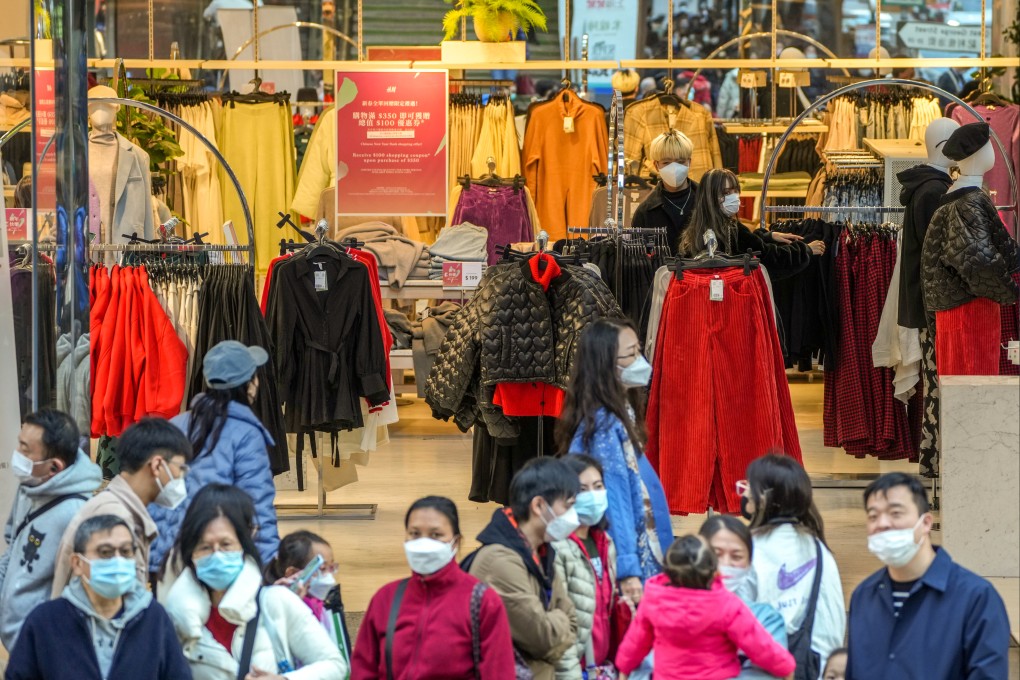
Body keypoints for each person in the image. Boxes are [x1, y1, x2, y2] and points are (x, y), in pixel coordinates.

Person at [162, 484, 346, 680]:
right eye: (205, 547)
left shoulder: (275, 603)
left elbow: (334, 665)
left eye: (226, 544)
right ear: (191, 551)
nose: (217, 555)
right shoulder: (176, 616)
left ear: (246, 542)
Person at [845, 473, 1010, 679]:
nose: (882, 523)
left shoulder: (976, 597)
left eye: (895, 513)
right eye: (873, 516)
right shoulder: (864, 595)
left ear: (925, 523)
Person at [557, 318, 674, 605]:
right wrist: (628, 566)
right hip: (631, 551)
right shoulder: (605, 426)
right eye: (631, 354)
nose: (640, 361)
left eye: (638, 351)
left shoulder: (617, 413)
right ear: (606, 365)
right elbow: (617, 498)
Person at [149, 340, 280, 582]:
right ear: (249, 386)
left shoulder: (177, 424)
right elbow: (258, 506)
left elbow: (154, 497)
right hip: (218, 560)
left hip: (167, 559)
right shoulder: (247, 434)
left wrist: (153, 560)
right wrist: (268, 566)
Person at [5, 515, 192, 680]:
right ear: (77, 564)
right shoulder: (45, 622)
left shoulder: (154, 618)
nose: (118, 560)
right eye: (105, 553)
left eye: (126, 552)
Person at [352, 496, 515, 679]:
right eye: (414, 533)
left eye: (436, 535)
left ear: (456, 541)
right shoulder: (385, 599)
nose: (424, 542)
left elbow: (498, 672)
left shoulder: (483, 602)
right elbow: (363, 668)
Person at [615, 535, 796, 680]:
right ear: (714, 570)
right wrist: (785, 667)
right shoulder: (726, 604)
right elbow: (758, 645)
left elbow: (636, 642)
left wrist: (624, 668)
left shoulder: (653, 600)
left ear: (668, 571)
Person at [465, 458, 579, 680]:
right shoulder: (500, 562)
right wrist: (558, 622)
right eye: (568, 506)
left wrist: (555, 623)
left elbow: (573, 621)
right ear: (538, 506)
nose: (573, 516)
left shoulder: (541, 551)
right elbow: (543, 639)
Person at [52, 418, 193, 594]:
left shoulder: (118, 508)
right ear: (157, 465)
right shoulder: (117, 519)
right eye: (180, 468)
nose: (182, 476)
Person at [0, 409, 102, 652]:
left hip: (41, 647)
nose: (17, 456)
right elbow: (12, 550)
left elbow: (79, 596)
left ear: (54, 467)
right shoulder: (29, 486)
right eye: (19, 444)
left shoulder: (78, 514)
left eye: (25, 451)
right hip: (13, 638)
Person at [740, 454, 846, 676]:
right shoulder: (819, 548)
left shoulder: (747, 549)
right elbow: (832, 621)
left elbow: (733, 616)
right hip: (809, 665)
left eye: (750, 485)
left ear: (766, 496)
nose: (745, 491)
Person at [679, 168, 824, 278]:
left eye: (735, 191)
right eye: (726, 193)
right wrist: (805, 250)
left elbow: (747, 244)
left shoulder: (696, 230)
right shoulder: (731, 229)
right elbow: (771, 259)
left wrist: (767, 236)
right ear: (711, 197)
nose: (734, 197)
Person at [552, 455, 619, 678]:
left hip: (600, 666)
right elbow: (560, 624)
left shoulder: (605, 542)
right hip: (572, 668)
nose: (592, 495)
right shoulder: (557, 547)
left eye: (598, 487)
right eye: (582, 489)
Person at [700, 515, 788, 679]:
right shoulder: (671, 607)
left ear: (749, 564)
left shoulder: (765, 618)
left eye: (736, 556)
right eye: (715, 554)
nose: (725, 563)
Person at [262, 530, 350, 666]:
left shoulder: (323, 605)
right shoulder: (271, 607)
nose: (329, 576)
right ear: (292, 573)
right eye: (322, 569)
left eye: (331, 567)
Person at [631, 130, 698, 251]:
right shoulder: (645, 212)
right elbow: (638, 262)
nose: (674, 167)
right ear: (656, 165)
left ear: (689, 162)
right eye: (666, 162)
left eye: (681, 161)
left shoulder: (707, 201)